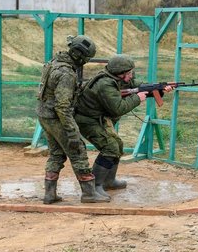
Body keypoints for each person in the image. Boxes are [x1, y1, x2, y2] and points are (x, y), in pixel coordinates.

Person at [74, 54, 172, 197]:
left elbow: (137, 86)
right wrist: (137, 98)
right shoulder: (105, 84)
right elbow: (118, 108)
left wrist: (159, 89)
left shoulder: (115, 78)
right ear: (121, 73)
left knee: (117, 146)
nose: (131, 76)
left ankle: (109, 181)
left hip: (97, 118)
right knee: (110, 148)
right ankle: (94, 187)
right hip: (88, 120)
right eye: (130, 73)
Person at [36, 35, 110, 204]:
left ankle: (50, 194)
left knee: (56, 154)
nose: (85, 62)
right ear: (79, 55)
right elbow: (62, 107)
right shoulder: (67, 73)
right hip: (56, 117)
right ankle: (89, 193)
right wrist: (72, 132)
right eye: (85, 58)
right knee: (78, 151)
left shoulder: (55, 62)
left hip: (44, 115)